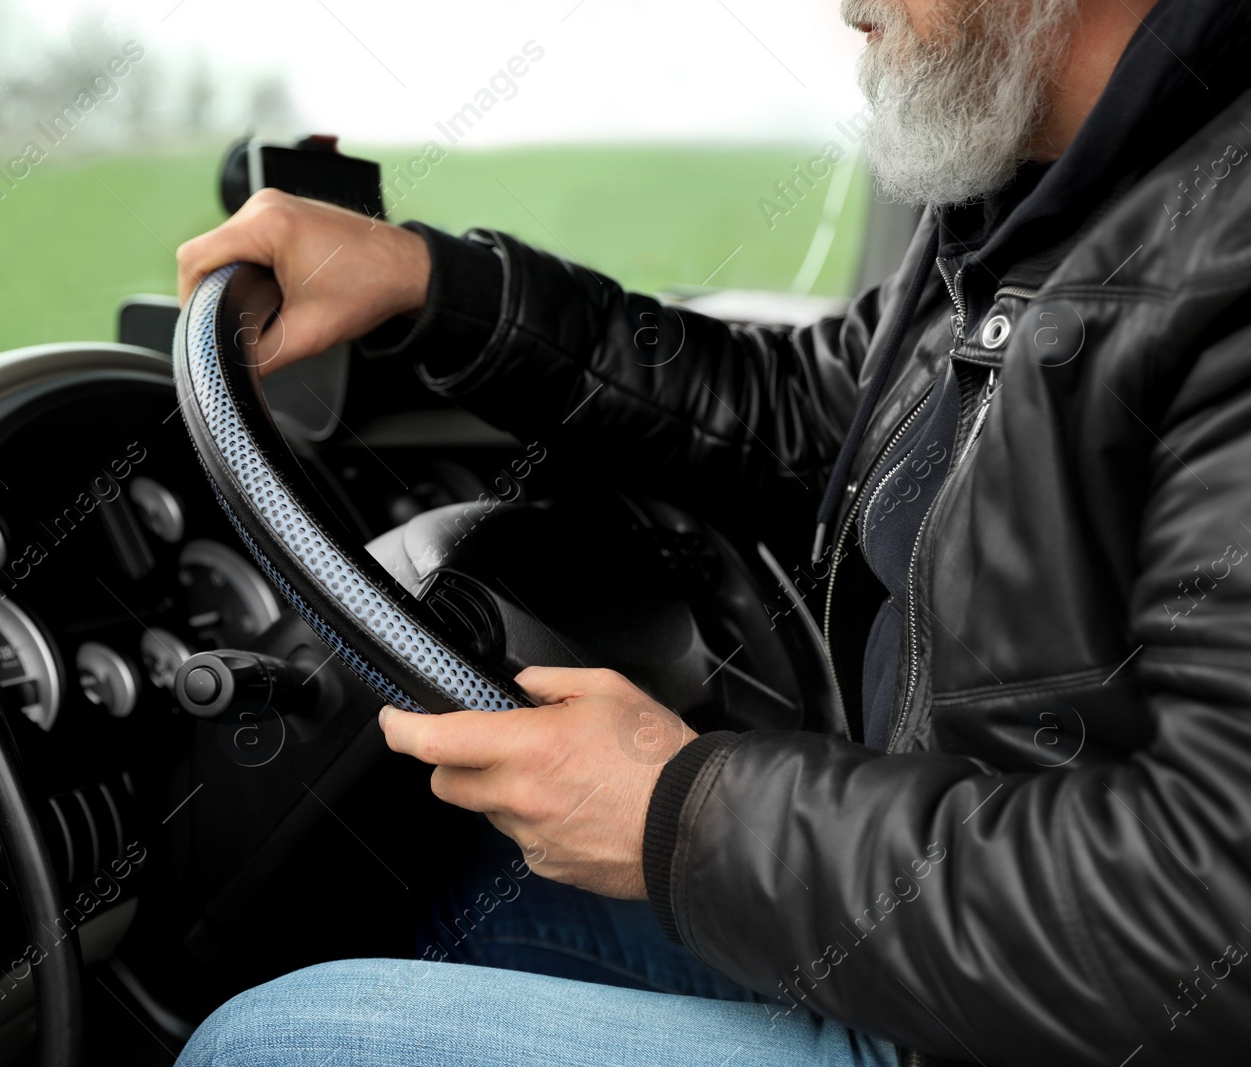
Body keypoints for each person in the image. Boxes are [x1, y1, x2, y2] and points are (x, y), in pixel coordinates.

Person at [172, 0, 1251, 1062]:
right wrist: (429, 285)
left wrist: (680, 809)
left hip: (1028, 1025)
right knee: (457, 893)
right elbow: (811, 419)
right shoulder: (1044, 197)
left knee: (262, 1041)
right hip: (947, 951)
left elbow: (1211, 922)